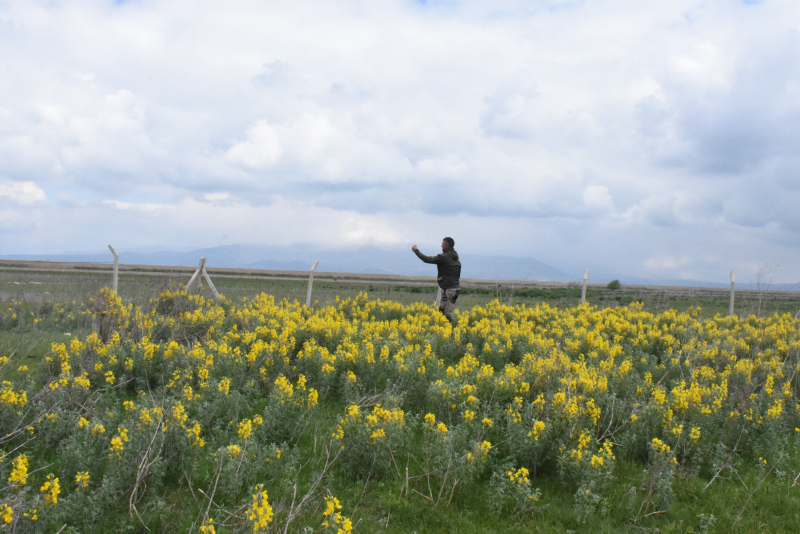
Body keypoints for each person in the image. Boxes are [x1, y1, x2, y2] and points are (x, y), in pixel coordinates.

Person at [411, 237, 461, 326]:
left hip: (449, 290)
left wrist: (416, 251)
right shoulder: (456, 259)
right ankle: (442, 331)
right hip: (453, 289)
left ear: (446, 245)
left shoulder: (443, 257)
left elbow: (427, 259)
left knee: (447, 315)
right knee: (441, 311)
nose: (441, 245)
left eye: (442, 244)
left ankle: (451, 335)